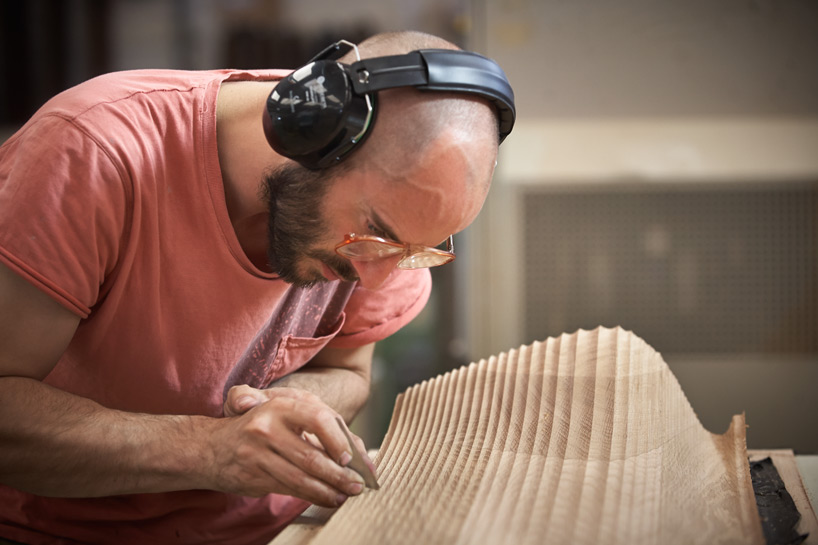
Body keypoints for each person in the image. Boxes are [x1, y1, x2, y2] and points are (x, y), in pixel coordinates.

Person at [0, 30, 514, 544]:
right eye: (376, 235)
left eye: (409, 253)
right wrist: (210, 449)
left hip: (269, 529)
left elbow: (348, 371)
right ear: (309, 132)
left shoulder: (393, 222)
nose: (375, 277)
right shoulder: (93, 154)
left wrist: (295, 403)